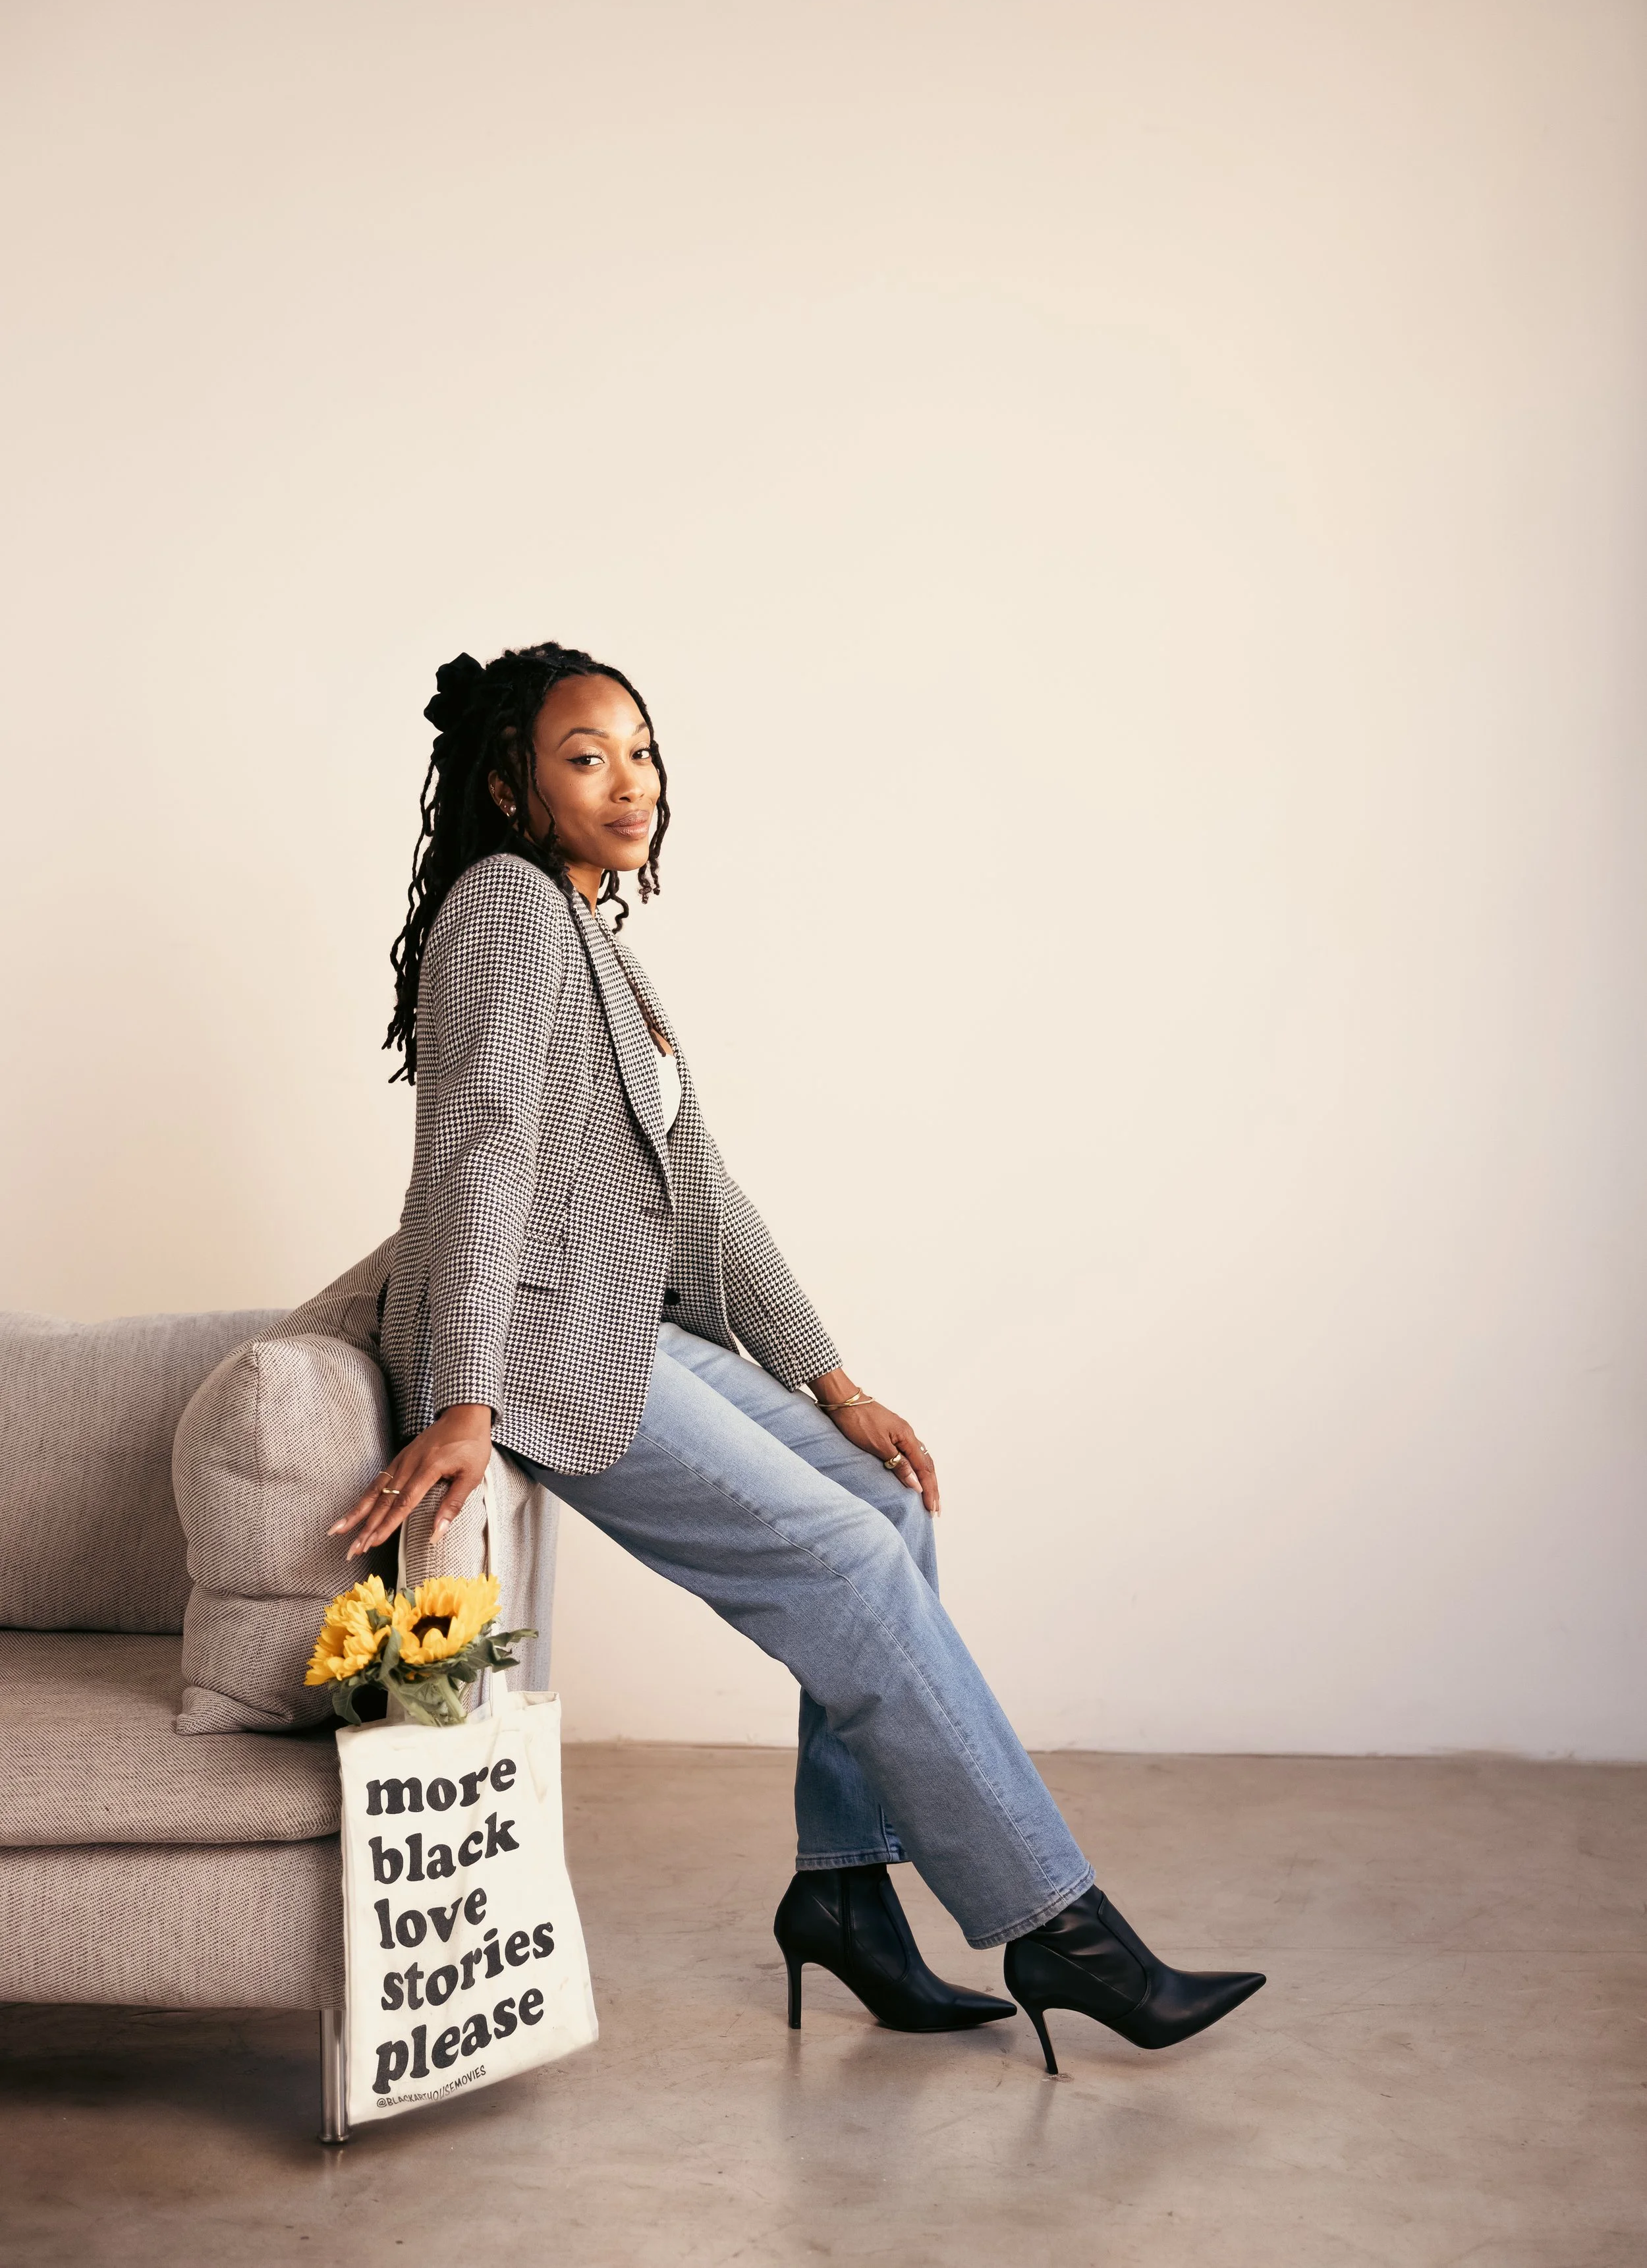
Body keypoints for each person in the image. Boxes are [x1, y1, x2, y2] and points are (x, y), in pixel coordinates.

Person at [331, 641, 1264, 2073]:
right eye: (585, 757)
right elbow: (482, 1153)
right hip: (533, 1349)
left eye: (639, 749)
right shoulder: (506, 911)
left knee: (883, 1500)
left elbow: (704, 1190)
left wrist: (832, 1383)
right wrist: (463, 1398)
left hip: (616, 1326)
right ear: (515, 789)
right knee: (846, 1559)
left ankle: (841, 1894)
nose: (627, 780)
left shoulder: (604, 950)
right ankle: (1054, 1927)